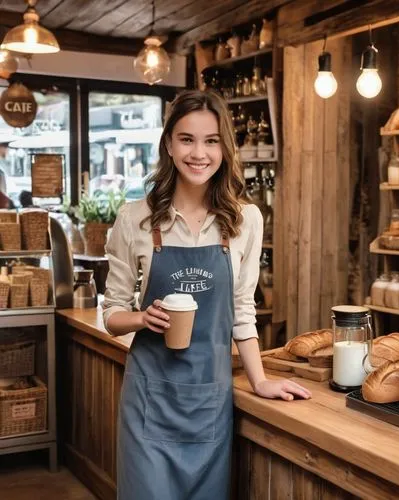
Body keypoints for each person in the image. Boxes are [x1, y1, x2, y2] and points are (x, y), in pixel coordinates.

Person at [102, 90, 311, 500]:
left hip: (209, 404)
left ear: (224, 148)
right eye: (187, 139)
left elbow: (241, 311)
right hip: (149, 402)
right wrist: (142, 318)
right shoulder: (135, 218)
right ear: (169, 144)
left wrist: (260, 379)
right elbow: (111, 315)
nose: (199, 153)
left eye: (211, 140)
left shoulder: (244, 220)